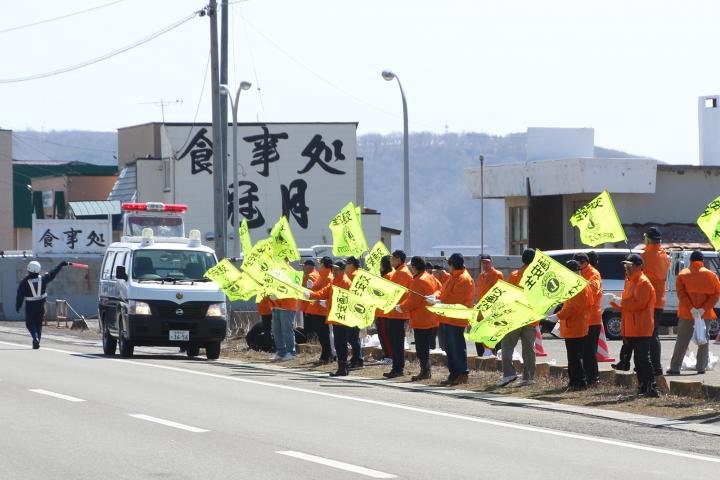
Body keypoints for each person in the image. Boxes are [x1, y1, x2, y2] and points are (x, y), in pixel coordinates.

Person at [610, 254, 659, 397]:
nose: (626, 268)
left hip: (642, 327)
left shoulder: (643, 282)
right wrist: (615, 302)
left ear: (638, 266)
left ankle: (651, 387)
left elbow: (639, 304)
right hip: (633, 326)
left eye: (629, 266)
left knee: (643, 359)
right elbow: (628, 306)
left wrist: (620, 302)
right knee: (639, 360)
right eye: (626, 266)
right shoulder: (631, 281)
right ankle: (643, 387)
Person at [667, 250, 720, 375]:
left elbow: (681, 293)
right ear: (702, 261)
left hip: (687, 313)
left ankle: (675, 368)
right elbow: (716, 294)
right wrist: (704, 308)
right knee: (703, 339)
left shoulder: (683, 274)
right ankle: (701, 367)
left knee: (682, 340)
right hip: (704, 314)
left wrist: (691, 308)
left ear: (690, 260)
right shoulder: (711, 275)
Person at [431, 253, 475, 386]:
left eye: (448, 263)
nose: (447, 266)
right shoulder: (453, 277)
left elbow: (456, 300)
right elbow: (442, 291)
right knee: (450, 348)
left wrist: (439, 301)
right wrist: (434, 296)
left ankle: (462, 373)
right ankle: (453, 374)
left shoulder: (464, 279)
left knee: (457, 347)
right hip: (447, 318)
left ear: (452, 264)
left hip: (456, 319)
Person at [548, 260, 592, 391]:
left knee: (574, 358)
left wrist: (558, 315)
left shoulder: (578, 286)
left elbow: (574, 309)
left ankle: (579, 383)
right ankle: (574, 381)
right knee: (573, 357)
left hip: (575, 326)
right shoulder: (578, 284)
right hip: (575, 325)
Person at [498, 248, 537, 387]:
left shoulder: (515, 275)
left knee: (507, 345)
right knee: (529, 348)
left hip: (516, 316)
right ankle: (529, 377)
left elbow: (507, 296)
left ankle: (509, 374)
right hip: (532, 316)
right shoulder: (539, 277)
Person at [396, 256, 439, 381]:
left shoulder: (418, 281)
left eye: (411, 266)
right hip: (431, 317)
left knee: (422, 348)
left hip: (421, 319)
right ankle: (426, 371)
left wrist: (401, 307)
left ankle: (425, 372)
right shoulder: (430, 277)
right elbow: (440, 289)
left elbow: (412, 301)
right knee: (424, 347)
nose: (410, 269)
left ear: (414, 267)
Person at [16, 260, 68, 349]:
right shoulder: (43, 279)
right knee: (38, 324)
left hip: (30, 306)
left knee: (30, 323)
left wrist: (18, 305)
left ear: (29, 270)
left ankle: (34, 337)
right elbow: (53, 273)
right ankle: (37, 340)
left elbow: (20, 295)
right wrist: (60, 265)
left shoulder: (24, 282)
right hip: (41, 305)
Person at [382, 250, 414, 378]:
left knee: (397, 342)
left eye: (392, 258)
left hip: (398, 313)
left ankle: (398, 368)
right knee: (395, 342)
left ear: (399, 259)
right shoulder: (399, 272)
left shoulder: (403, 273)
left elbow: (396, 292)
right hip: (394, 312)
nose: (390, 261)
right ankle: (396, 368)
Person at [574, 252, 602, 385]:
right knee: (584, 351)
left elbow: (592, 292)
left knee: (590, 352)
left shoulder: (593, 273)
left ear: (585, 263)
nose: (578, 267)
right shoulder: (582, 273)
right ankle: (586, 377)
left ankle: (593, 378)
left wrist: (579, 281)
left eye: (579, 264)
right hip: (582, 319)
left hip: (592, 319)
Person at [305, 256, 334, 364]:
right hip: (316, 310)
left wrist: (311, 293)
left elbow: (323, 293)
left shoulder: (328, 277)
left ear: (325, 265)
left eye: (320, 263)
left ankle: (327, 356)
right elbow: (317, 290)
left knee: (324, 335)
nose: (319, 265)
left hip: (321, 310)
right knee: (322, 336)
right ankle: (326, 355)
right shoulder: (322, 276)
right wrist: (310, 289)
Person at [475, 254, 504, 356]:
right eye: (483, 262)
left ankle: (496, 356)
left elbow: (499, 293)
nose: (485, 264)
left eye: (487, 262)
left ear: (491, 262)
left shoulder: (497, 274)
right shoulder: (480, 276)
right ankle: (481, 355)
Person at [270, 259, 299, 362]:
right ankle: (281, 351)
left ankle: (291, 352)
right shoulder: (276, 271)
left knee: (287, 329)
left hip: (288, 304)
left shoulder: (291, 271)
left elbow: (292, 289)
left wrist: (278, 295)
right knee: (276, 329)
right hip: (276, 304)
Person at [344, 256, 364, 369]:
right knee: (351, 336)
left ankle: (358, 360)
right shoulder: (351, 275)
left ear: (352, 264)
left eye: (347, 263)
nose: (346, 266)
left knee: (352, 336)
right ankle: (356, 358)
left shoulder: (355, 275)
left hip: (355, 309)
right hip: (351, 308)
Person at [375, 255, 394, 365]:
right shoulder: (390, 275)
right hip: (385, 311)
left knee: (385, 335)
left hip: (383, 312)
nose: (379, 267)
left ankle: (389, 356)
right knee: (385, 335)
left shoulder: (387, 276)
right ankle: (388, 355)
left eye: (381, 264)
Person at [300, 260, 320, 342]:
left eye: (304, 266)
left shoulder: (308, 276)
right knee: (316, 327)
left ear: (308, 266)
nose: (303, 268)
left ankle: (310, 344)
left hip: (308, 307)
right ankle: (316, 342)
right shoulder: (318, 274)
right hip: (317, 305)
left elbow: (304, 291)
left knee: (309, 329)